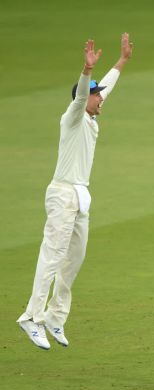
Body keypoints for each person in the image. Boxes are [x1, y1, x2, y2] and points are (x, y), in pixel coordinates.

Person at [17, 34, 134, 350]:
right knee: (52, 256)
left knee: (73, 261)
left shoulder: (93, 115)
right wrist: (86, 70)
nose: (100, 99)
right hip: (62, 193)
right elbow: (84, 96)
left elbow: (105, 86)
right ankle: (32, 317)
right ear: (84, 99)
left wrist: (122, 60)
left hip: (80, 196)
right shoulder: (72, 117)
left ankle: (55, 318)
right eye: (96, 96)